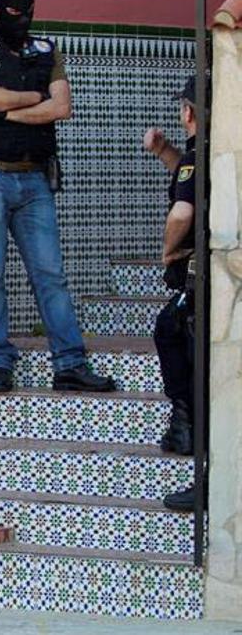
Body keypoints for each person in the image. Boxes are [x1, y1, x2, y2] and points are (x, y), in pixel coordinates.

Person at [0, 0, 116, 395]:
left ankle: (69, 363)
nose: (21, 19)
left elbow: (62, 107)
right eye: (14, 12)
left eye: (27, 12)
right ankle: (0, 362)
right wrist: (30, 99)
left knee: (51, 274)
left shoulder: (46, 49)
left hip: (34, 179)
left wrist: (7, 109)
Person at [143, 75, 209, 512]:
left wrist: (168, 250)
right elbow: (190, 180)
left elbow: (183, 209)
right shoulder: (213, 153)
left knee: (174, 334)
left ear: (187, 111)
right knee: (172, 329)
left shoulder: (196, 158)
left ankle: (187, 426)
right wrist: (166, 152)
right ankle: (185, 423)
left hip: (198, 277)